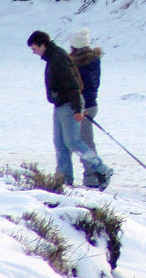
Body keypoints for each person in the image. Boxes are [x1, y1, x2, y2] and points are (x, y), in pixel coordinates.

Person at [27, 30, 113, 190]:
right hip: (59, 105)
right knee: (60, 144)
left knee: (73, 142)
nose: (34, 52)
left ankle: (102, 169)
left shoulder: (59, 58)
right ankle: (63, 180)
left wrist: (78, 108)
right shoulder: (53, 58)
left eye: (34, 48)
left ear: (42, 45)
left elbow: (73, 85)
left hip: (69, 105)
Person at [68, 28, 103, 186]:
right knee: (82, 141)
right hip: (86, 105)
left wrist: (83, 107)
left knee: (85, 142)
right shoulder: (91, 60)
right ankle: (93, 174)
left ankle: (94, 176)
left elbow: (89, 87)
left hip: (85, 107)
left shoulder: (84, 63)